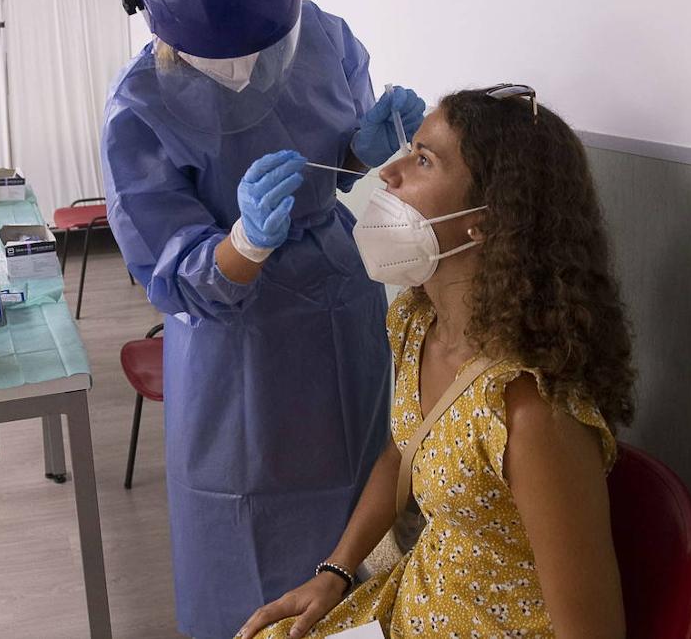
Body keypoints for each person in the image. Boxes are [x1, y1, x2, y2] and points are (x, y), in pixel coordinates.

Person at [103, 0, 426, 639]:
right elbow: (173, 264)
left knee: (362, 502)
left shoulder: (324, 39)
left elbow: (345, 170)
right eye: (224, 57)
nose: (249, 66)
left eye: (264, 41)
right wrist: (244, 241)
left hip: (342, 306)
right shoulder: (140, 106)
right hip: (237, 345)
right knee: (247, 538)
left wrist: (363, 155)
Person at [238, 86, 634, 639]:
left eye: (423, 159)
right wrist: (333, 572)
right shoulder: (415, 322)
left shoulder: (532, 414)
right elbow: (405, 449)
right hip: (419, 600)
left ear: (487, 220)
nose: (389, 173)